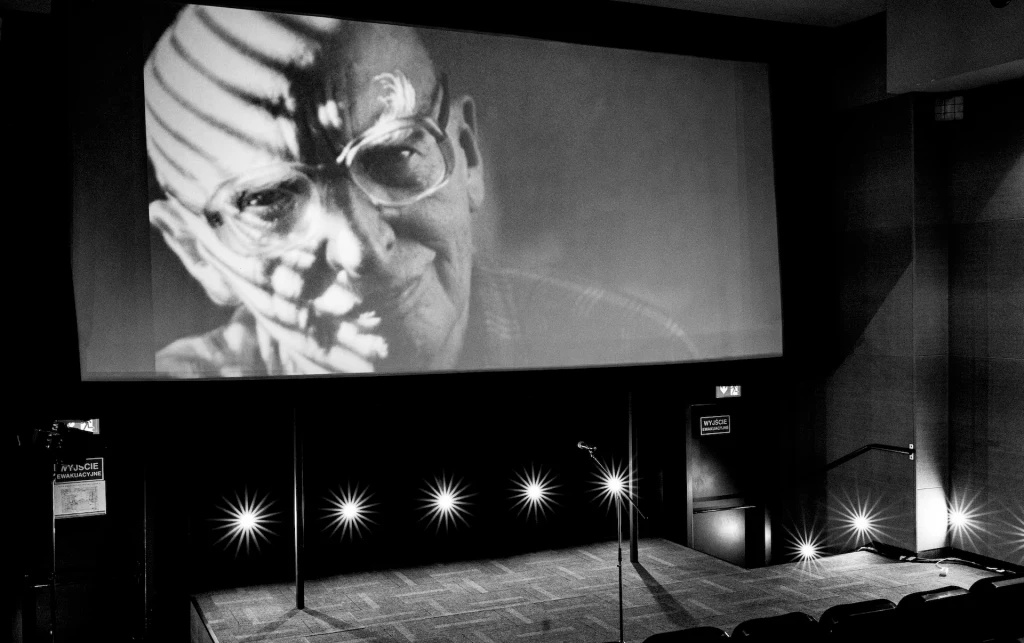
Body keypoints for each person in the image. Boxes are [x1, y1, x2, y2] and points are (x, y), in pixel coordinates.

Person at [144, 5, 696, 377]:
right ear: (195, 251)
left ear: (468, 157)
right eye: (269, 200)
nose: (361, 249)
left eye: (395, 154)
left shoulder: (635, 348)